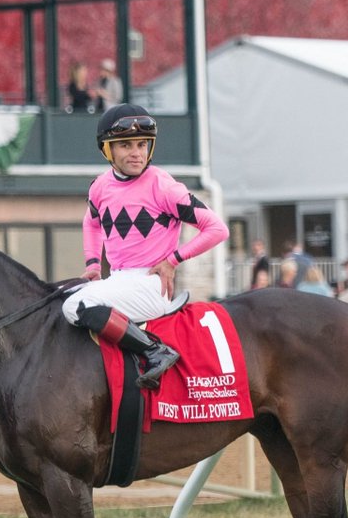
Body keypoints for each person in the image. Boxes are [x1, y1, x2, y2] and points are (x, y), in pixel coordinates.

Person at [62, 104, 229, 389]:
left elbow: (217, 229)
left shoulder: (164, 187)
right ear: (107, 150)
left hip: (151, 285)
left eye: (142, 144)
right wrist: (92, 265)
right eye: (125, 145)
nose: (136, 152)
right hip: (119, 280)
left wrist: (172, 260)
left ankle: (154, 350)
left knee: (74, 305)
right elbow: (91, 222)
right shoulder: (99, 187)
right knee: (60, 295)